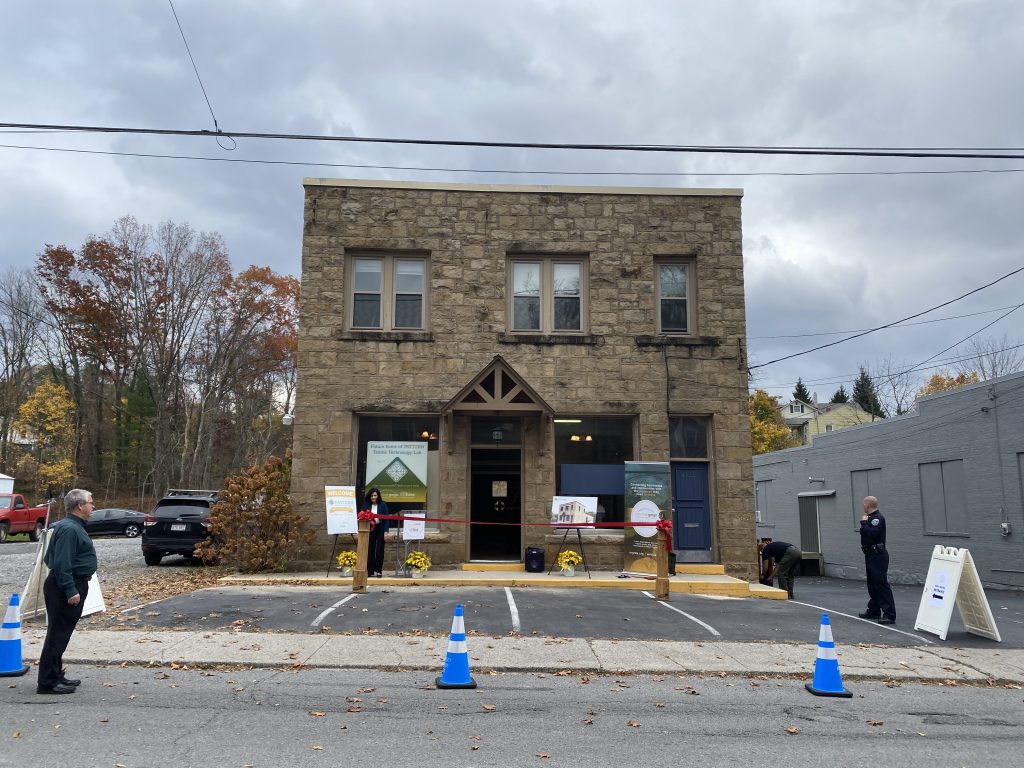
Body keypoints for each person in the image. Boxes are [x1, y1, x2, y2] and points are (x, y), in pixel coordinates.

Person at [37, 488, 97, 694]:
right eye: (90, 502)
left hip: (70, 583)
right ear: (80, 505)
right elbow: (62, 563)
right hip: (64, 586)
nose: (93, 506)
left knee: (61, 633)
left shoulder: (73, 526)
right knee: (57, 634)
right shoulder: (70, 529)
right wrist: (71, 590)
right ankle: (47, 682)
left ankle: (56, 674)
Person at [858, 495, 896, 624]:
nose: (863, 507)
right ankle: (874, 610)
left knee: (880, 584)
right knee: (872, 584)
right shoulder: (870, 518)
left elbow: (873, 534)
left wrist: (864, 523)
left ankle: (889, 614)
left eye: (864, 505)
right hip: (870, 555)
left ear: (867, 505)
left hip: (878, 555)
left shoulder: (877, 518)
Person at [364, 487, 390, 577]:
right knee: (370, 549)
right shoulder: (366, 505)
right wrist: (369, 521)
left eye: (375, 495)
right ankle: (370, 570)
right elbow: (362, 516)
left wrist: (386, 531)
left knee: (380, 549)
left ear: (378, 496)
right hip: (370, 529)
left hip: (380, 528)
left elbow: (386, 519)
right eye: (372, 496)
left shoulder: (383, 504)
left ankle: (379, 570)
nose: (373, 497)